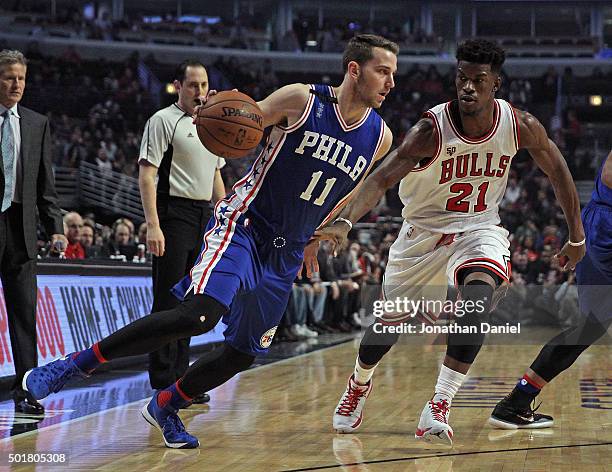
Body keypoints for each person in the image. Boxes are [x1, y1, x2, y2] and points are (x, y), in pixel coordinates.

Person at [23, 34, 397, 448]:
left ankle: (165, 404)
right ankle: (73, 366)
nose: (391, 82)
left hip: (288, 250)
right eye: (383, 71)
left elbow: (347, 188)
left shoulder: (380, 137)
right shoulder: (301, 100)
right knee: (199, 315)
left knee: (243, 353)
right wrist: (221, 111)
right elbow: (244, 120)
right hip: (246, 226)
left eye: (394, 74)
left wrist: (327, 228)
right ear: (354, 69)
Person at [315, 39, 585, 445]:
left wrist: (576, 236)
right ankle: (359, 382)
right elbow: (380, 179)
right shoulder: (430, 130)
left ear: (497, 83)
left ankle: (439, 403)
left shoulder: (520, 125)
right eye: (462, 78)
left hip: (479, 229)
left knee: (476, 302)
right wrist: (345, 221)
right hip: (420, 236)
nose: (468, 88)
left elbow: (558, 169)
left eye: (479, 80)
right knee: (386, 327)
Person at [489, 149, 612, 429]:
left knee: (589, 328)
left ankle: (517, 402)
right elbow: (609, 175)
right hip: (605, 228)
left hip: (598, 226)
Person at [138, 60, 226, 404]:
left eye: (204, 85)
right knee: (166, 301)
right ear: (178, 86)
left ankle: (181, 380)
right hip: (173, 214)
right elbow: (147, 175)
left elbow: (217, 178)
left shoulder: (212, 125)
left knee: (192, 303)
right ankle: (163, 379)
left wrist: (225, 216)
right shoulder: (162, 121)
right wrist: (153, 224)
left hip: (204, 217)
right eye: (193, 85)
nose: (200, 92)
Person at [0, 49, 67, 414]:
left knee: (25, 316)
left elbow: (46, 186)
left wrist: (55, 228)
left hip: (21, 230)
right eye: (9, 77)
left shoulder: (37, 123)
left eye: (21, 78)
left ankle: (26, 390)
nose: (16, 84)